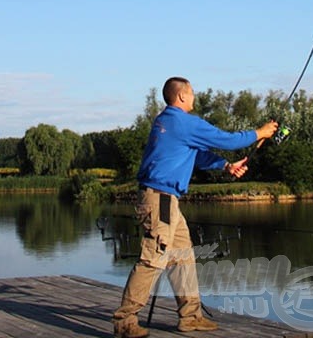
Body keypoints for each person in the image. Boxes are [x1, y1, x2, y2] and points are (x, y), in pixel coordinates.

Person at [112, 76, 278, 336]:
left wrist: (225, 166)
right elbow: (228, 139)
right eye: (191, 93)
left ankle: (190, 317)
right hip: (161, 198)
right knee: (153, 258)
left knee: (182, 257)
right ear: (181, 96)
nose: (194, 97)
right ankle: (125, 320)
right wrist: (261, 132)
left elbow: (197, 154)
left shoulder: (166, 121)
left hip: (166, 200)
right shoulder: (183, 122)